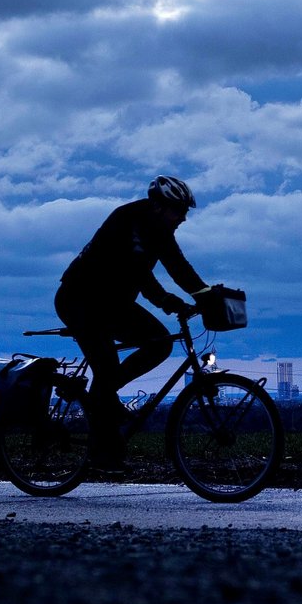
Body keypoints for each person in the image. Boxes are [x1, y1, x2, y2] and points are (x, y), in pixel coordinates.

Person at [55, 175, 209, 472]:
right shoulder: (127, 220)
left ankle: (103, 400)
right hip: (80, 300)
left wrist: (206, 294)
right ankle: (102, 447)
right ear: (158, 206)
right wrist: (166, 300)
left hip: (113, 304)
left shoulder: (161, 230)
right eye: (179, 210)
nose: (184, 218)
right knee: (108, 370)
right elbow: (136, 271)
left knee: (159, 343)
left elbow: (178, 265)